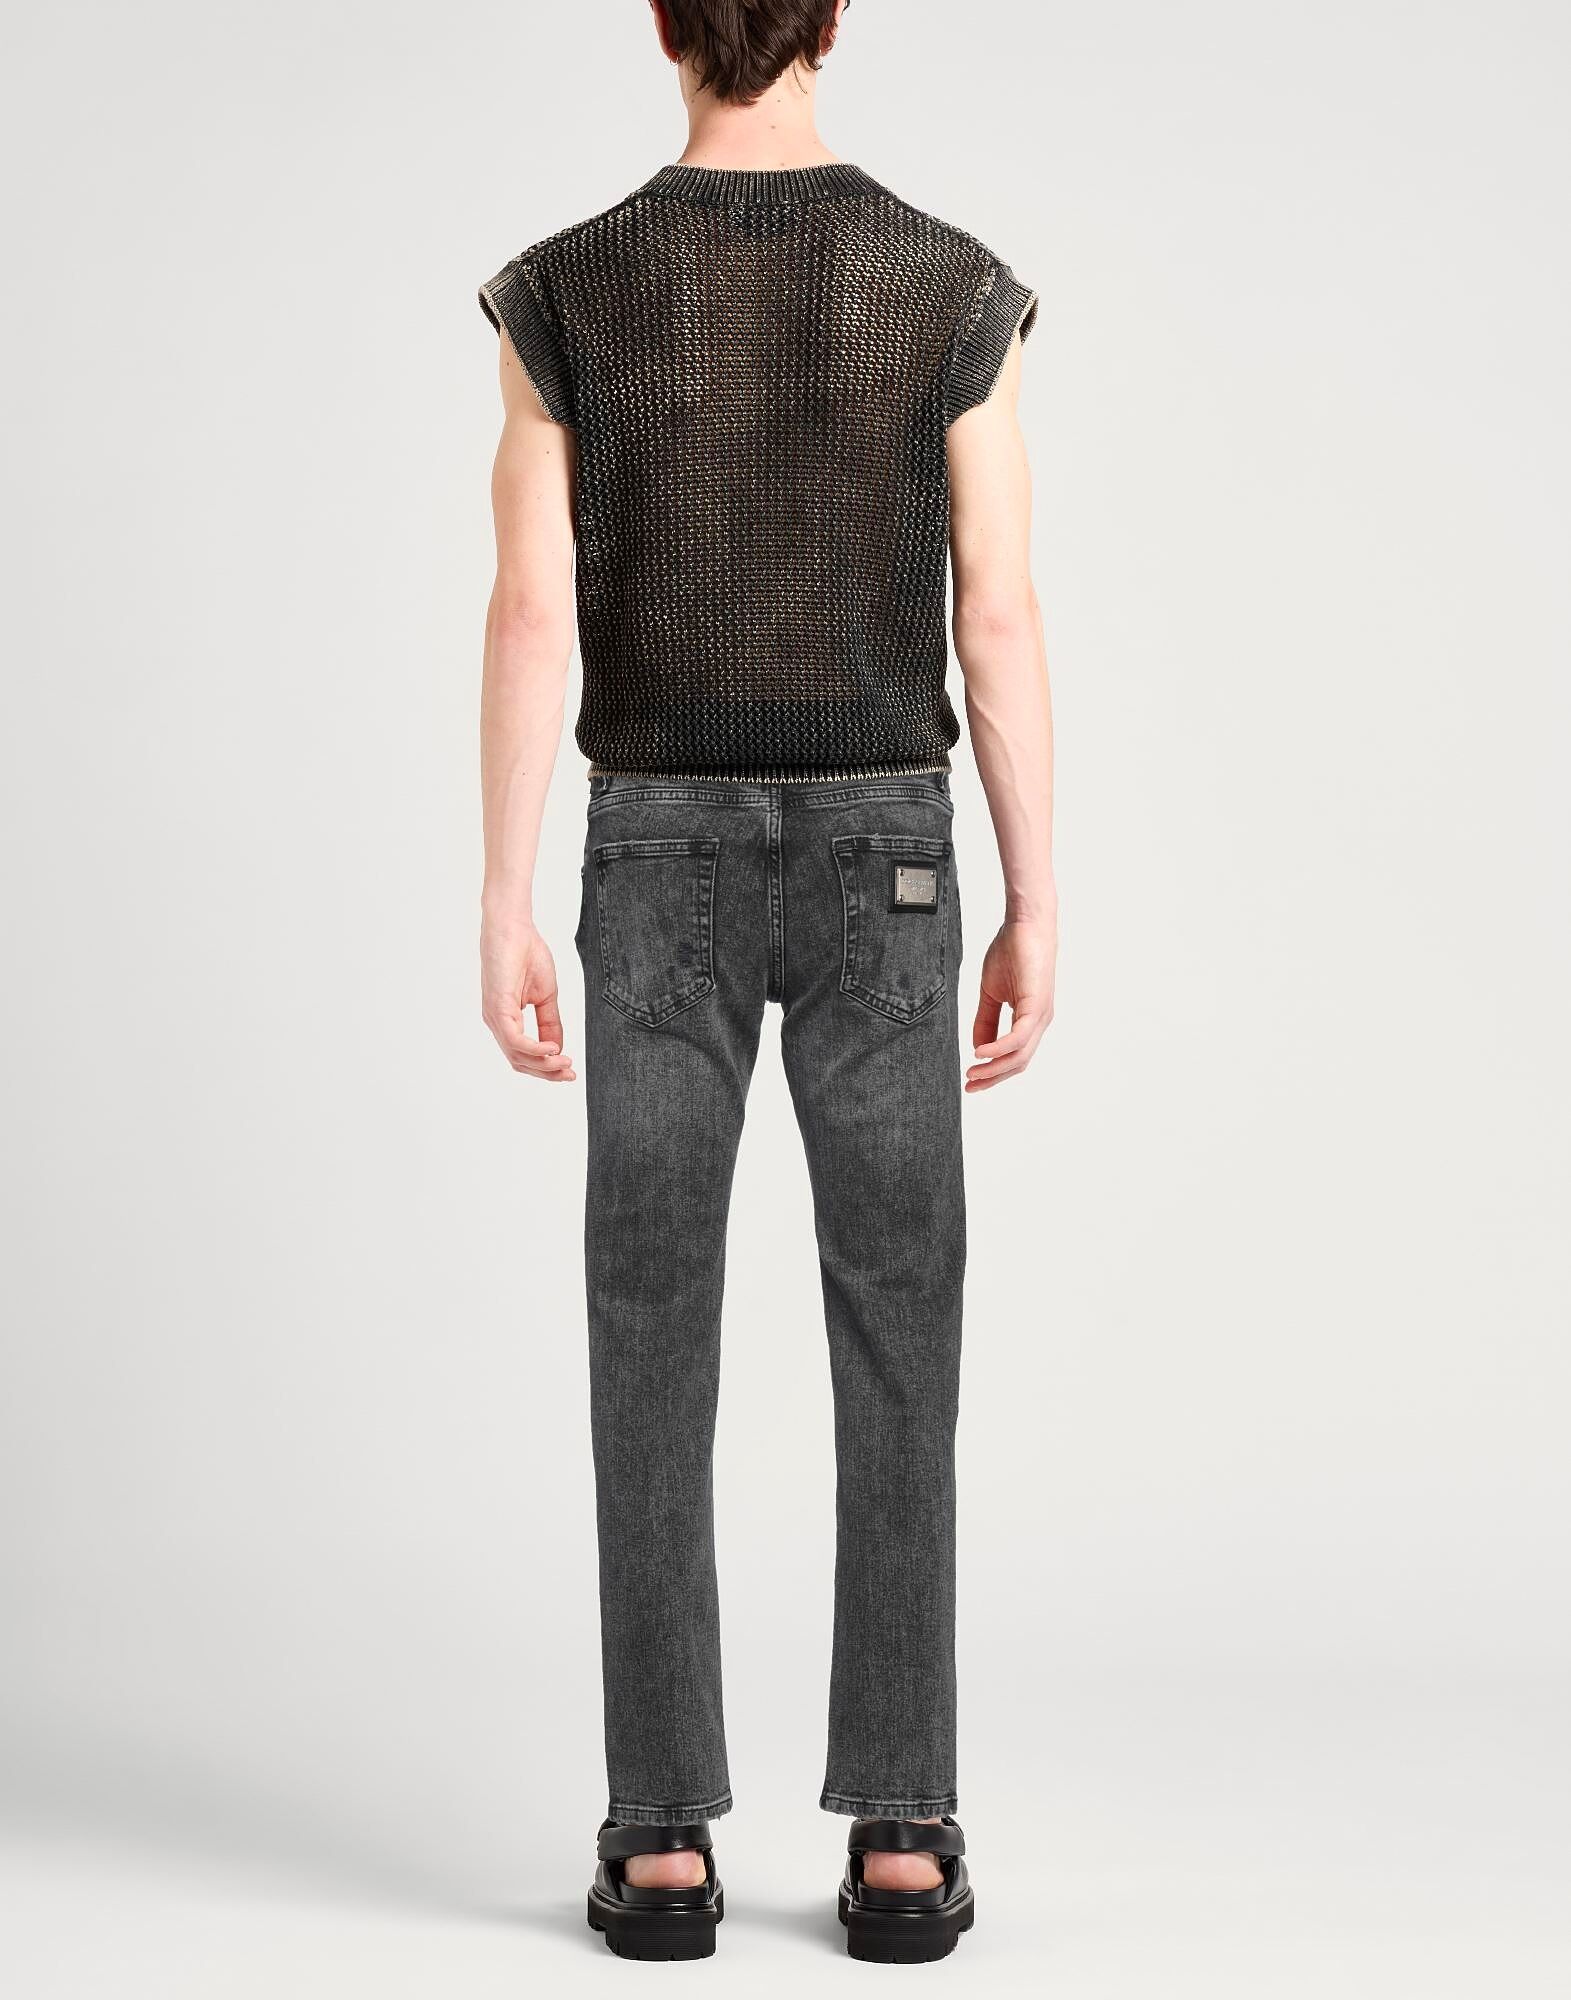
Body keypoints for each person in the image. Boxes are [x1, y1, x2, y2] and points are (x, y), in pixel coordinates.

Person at [476, 0, 1055, 1965]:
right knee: (901, 1322)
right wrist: (1036, 892)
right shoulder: (947, 285)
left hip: (654, 851)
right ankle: (902, 1831)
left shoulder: (566, 291)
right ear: (833, 18)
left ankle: (660, 1839)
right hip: (891, 850)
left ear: (663, 21)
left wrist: (502, 893)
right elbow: (997, 612)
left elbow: (535, 606)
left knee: (649, 1326)